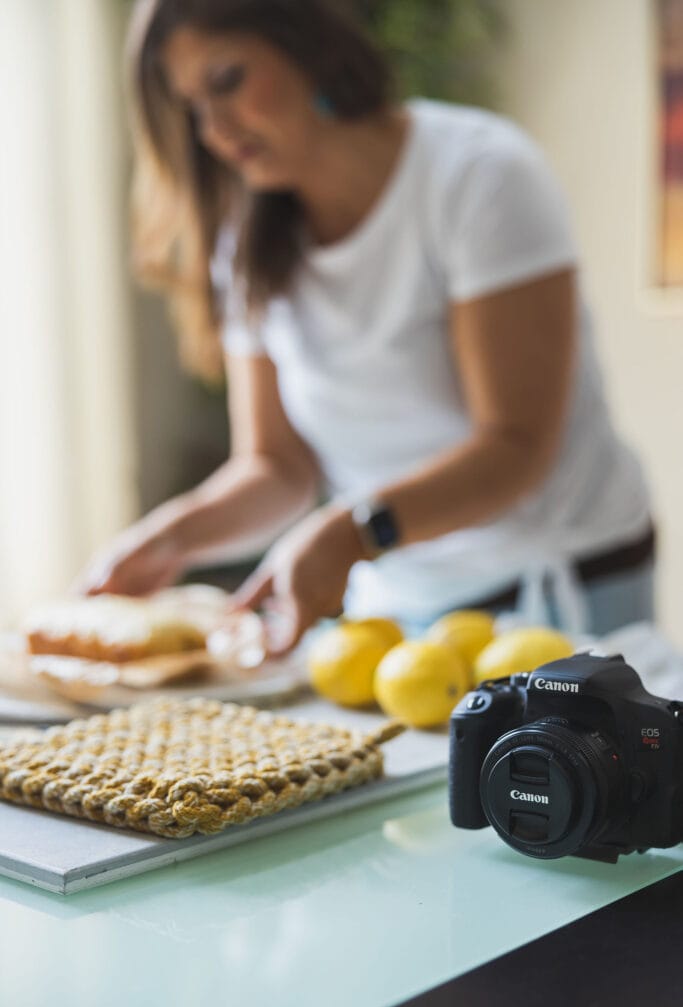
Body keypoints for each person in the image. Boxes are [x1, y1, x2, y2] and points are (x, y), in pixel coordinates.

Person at [77, 0, 655, 652]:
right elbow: (275, 463)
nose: (212, 129)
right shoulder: (245, 240)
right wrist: (170, 536)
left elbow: (514, 447)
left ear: (305, 45)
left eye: (227, 81)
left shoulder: (480, 177)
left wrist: (353, 532)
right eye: (190, 106)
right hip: (390, 601)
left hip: (559, 583)